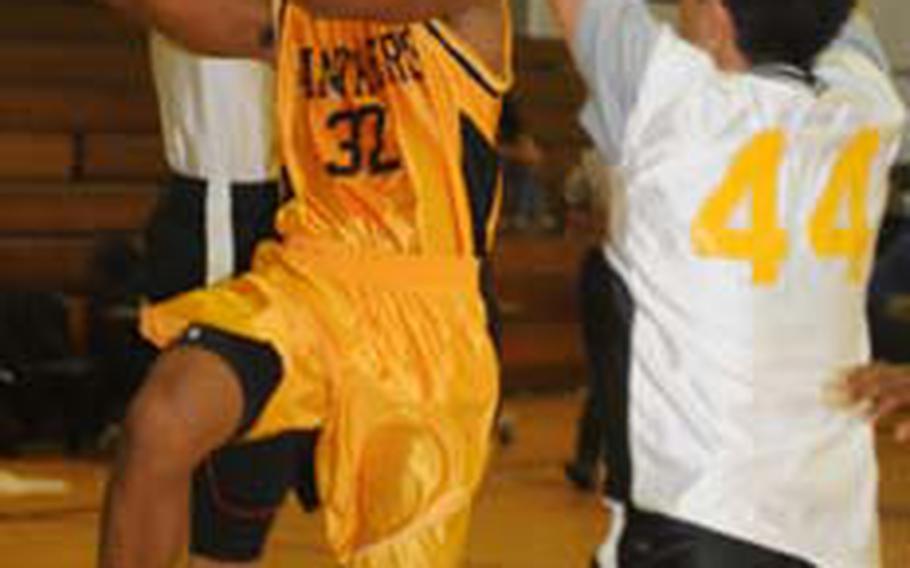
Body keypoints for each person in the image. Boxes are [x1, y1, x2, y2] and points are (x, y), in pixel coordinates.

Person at [98, 0, 512, 567]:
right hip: (309, 283)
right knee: (162, 421)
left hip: (426, 326)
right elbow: (198, 17)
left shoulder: (471, 12)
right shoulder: (292, 19)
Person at [546, 0, 906, 565]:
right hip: (836, 528)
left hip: (701, 515)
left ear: (716, 22)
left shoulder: (670, 101)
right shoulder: (869, 108)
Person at [563, 148, 614, 491]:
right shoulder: (594, 158)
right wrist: (598, 225)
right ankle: (588, 458)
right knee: (605, 367)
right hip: (606, 266)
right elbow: (572, 211)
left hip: (655, 270)